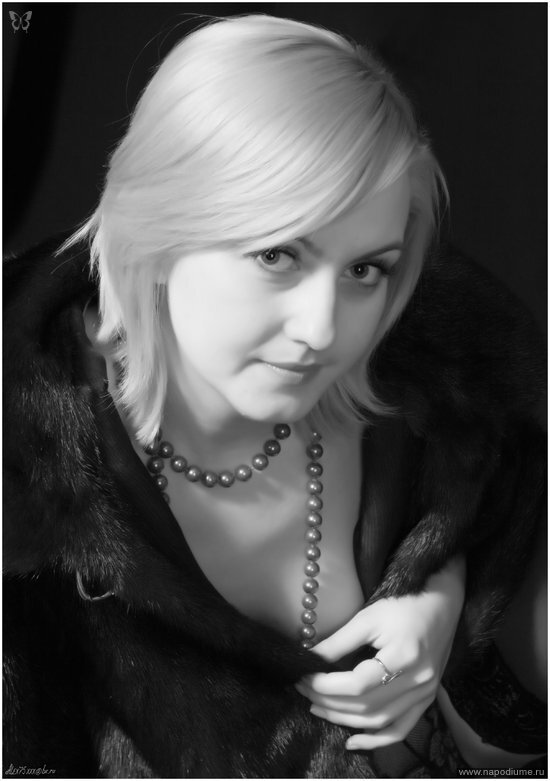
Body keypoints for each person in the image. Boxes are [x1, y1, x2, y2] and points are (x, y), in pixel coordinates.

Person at [3, 14, 545, 778]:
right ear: (156, 231)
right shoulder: (22, 494)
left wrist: (440, 599)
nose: (323, 328)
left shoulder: (437, 399)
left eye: (366, 269)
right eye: (276, 255)